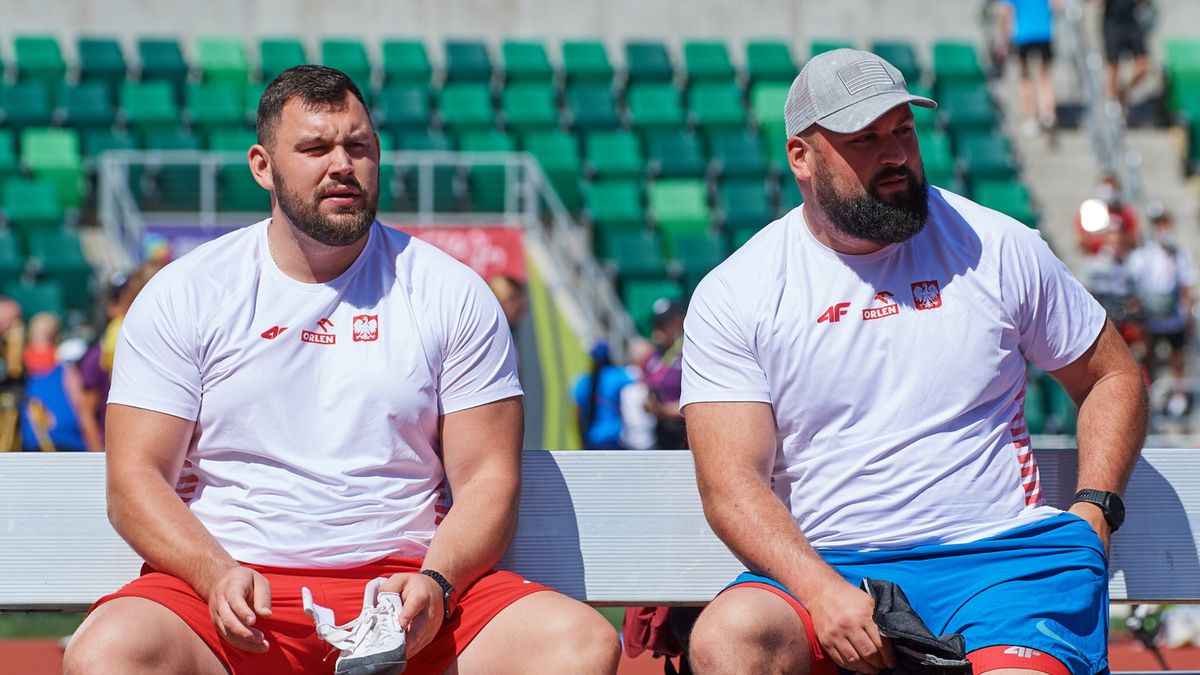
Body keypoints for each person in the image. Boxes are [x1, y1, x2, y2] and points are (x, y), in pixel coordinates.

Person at [62, 65, 618, 675]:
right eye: (315, 148)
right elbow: (135, 480)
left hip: (405, 593)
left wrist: (438, 578)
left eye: (359, 146)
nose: (342, 165)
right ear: (262, 165)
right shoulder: (186, 293)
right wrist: (213, 573)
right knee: (106, 654)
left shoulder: (451, 292)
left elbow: (487, 477)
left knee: (578, 645)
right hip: (234, 589)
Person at [681, 49, 1147, 675]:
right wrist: (820, 590)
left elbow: (1111, 375)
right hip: (831, 564)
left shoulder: (998, 245)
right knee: (730, 639)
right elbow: (729, 483)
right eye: (864, 139)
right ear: (801, 157)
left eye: (903, 129)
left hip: (1001, 563)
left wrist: (1095, 507)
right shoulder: (738, 290)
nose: (896, 155)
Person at [77, 262, 164, 452]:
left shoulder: (166, 338)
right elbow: (86, 412)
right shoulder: (108, 346)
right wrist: (99, 457)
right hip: (122, 447)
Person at [1128, 208, 1195, 416]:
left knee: (1177, 357)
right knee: (1150, 356)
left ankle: (1178, 396)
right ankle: (1150, 392)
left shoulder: (1180, 256)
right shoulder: (1143, 255)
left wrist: (1188, 315)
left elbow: (1186, 286)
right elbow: (1135, 286)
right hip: (1151, 317)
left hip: (1173, 316)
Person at [19, 312, 91, 452]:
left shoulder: (66, 370)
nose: (41, 344)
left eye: (47, 336)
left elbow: (83, 409)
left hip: (69, 446)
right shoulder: (19, 373)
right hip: (33, 449)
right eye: (37, 335)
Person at [996, 0, 1059, 138]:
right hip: (1044, 32)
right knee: (1045, 76)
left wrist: (1003, 38)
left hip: (1023, 34)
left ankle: (1030, 118)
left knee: (1025, 77)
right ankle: (1047, 114)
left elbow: (1005, 11)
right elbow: (1056, 5)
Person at [573, 341, 635, 449]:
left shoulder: (582, 382)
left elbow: (577, 416)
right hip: (615, 439)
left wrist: (582, 441)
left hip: (591, 439)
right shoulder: (618, 376)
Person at [644, 298, 687, 449]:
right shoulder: (654, 356)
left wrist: (671, 411)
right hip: (660, 431)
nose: (658, 329)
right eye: (656, 323)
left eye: (662, 324)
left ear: (678, 322)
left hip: (684, 431)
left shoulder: (689, 353)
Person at [1098, 0, 1153, 111]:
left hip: (1132, 21)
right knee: (1113, 65)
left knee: (1143, 66)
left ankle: (1123, 92)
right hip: (1112, 22)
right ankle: (1113, 101)